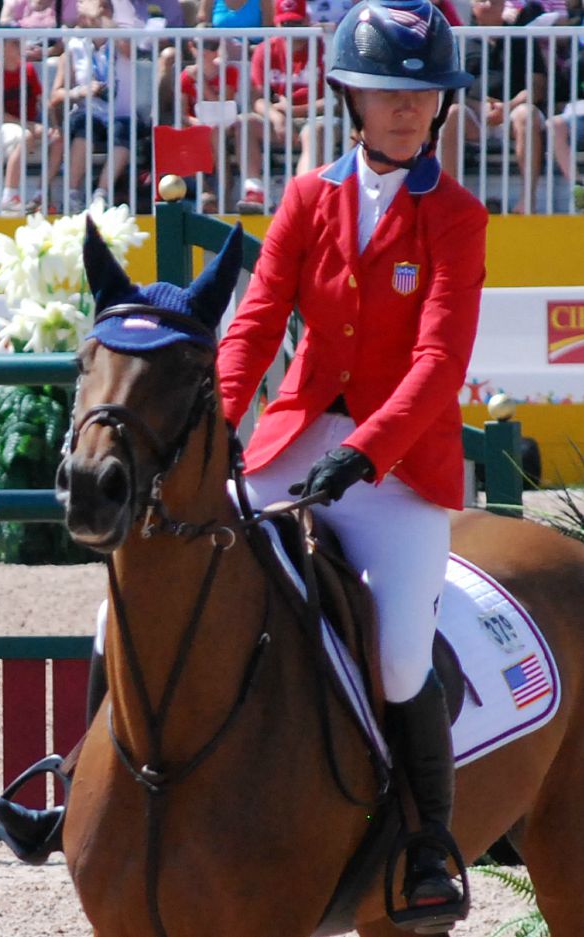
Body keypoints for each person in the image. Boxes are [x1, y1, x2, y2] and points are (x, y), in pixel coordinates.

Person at [218, 0, 486, 924]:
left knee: (401, 653)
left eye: (423, 93)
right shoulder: (305, 198)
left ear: (441, 106)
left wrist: (366, 453)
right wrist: (219, 421)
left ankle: (426, 845)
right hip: (293, 441)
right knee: (162, 575)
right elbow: (256, 324)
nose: (407, 108)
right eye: (386, 92)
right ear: (351, 99)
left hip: (397, 468)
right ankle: (87, 789)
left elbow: (440, 362)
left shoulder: (457, 215)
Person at [440, 0, 547, 213]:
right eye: (483, 0)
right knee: (452, 113)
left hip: (512, 115)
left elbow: (538, 85)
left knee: (527, 114)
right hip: (473, 116)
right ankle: (449, 201)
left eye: (495, 0)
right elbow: (450, 91)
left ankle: (527, 200)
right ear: (472, 5)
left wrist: (507, 107)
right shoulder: (459, 40)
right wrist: (479, 107)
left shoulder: (521, 38)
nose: (489, 4)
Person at [50, 0, 149, 212]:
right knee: (85, 125)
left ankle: (100, 195)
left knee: (125, 129)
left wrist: (100, 17)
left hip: (121, 114)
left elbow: (130, 51)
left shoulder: (121, 39)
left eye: (103, 8)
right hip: (89, 113)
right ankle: (72, 194)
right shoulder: (74, 47)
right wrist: (79, 91)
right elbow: (55, 95)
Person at [236, 0, 329, 213]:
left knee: (314, 132)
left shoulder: (324, 47)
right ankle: (254, 191)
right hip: (279, 118)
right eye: (285, 24)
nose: (290, 30)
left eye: (295, 24)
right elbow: (257, 100)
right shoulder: (265, 49)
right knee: (245, 123)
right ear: (276, 23)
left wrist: (291, 112)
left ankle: (302, 197)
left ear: (306, 21)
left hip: (317, 117)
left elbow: (334, 101)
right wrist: (277, 117)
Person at [0, 32, 64, 215]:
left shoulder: (28, 70)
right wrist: (30, 126)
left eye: (20, 42)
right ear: (0, 47)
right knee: (25, 136)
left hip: (25, 125)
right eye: (15, 43)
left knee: (58, 140)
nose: (20, 47)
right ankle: (9, 197)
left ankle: (40, 196)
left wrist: (55, 126)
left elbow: (43, 101)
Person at [158, 37, 239, 212]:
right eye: (201, 46)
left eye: (212, 45)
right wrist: (198, 123)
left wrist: (201, 83)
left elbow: (224, 106)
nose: (206, 51)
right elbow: (182, 114)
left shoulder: (229, 71)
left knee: (214, 131)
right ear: (192, 47)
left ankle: (224, 195)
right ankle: (207, 192)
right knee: (198, 133)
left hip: (224, 123)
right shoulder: (186, 76)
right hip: (197, 127)